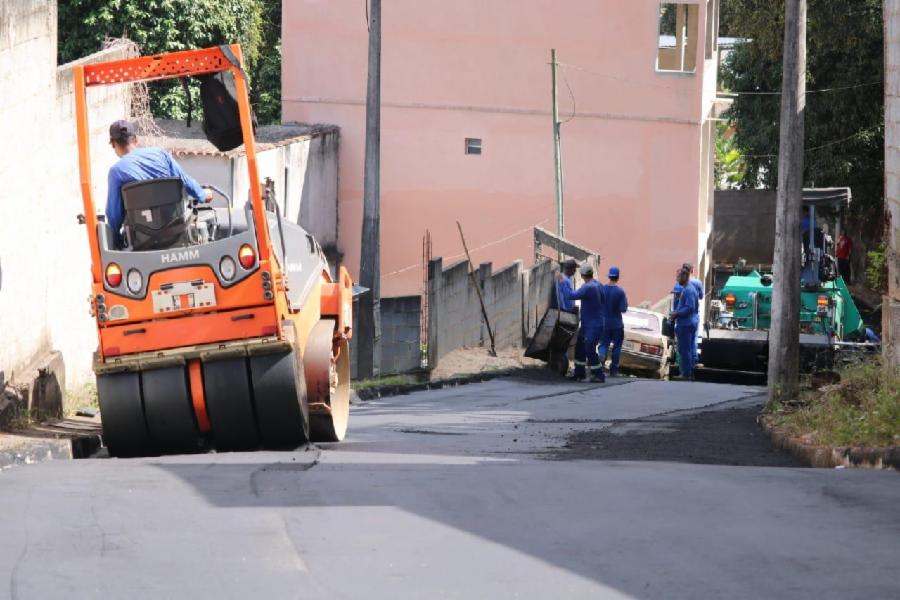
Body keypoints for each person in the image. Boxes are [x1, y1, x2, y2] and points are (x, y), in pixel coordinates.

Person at [106, 119, 212, 247]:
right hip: (177, 235)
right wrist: (203, 195)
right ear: (136, 139)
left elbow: (114, 215)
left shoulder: (116, 172)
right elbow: (185, 180)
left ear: (113, 144)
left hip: (141, 243)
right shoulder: (160, 154)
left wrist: (116, 239)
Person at [559, 263, 605, 382]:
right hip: (591, 323)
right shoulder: (598, 284)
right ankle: (579, 373)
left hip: (592, 325)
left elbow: (570, 295)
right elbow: (604, 300)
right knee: (579, 347)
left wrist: (563, 281)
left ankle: (599, 375)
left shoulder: (588, 287)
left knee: (589, 349)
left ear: (582, 275)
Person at [669, 268, 699, 380]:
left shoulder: (689, 290)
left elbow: (689, 307)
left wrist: (677, 314)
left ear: (685, 277)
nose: (677, 279)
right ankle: (688, 371)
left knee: (684, 349)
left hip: (686, 323)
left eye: (678, 277)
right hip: (688, 322)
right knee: (687, 349)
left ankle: (685, 373)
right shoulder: (687, 289)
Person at [598, 266, 628, 377]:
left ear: (609, 276)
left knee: (604, 344)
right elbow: (623, 309)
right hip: (617, 324)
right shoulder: (620, 292)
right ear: (618, 277)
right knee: (617, 346)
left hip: (604, 323)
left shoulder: (602, 289)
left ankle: (600, 361)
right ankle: (614, 369)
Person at [682, 262, 703, 365]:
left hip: (682, 316)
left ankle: (684, 364)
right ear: (692, 271)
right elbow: (701, 296)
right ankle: (694, 360)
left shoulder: (680, 283)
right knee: (693, 338)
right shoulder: (697, 283)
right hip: (693, 315)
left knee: (683, 342)